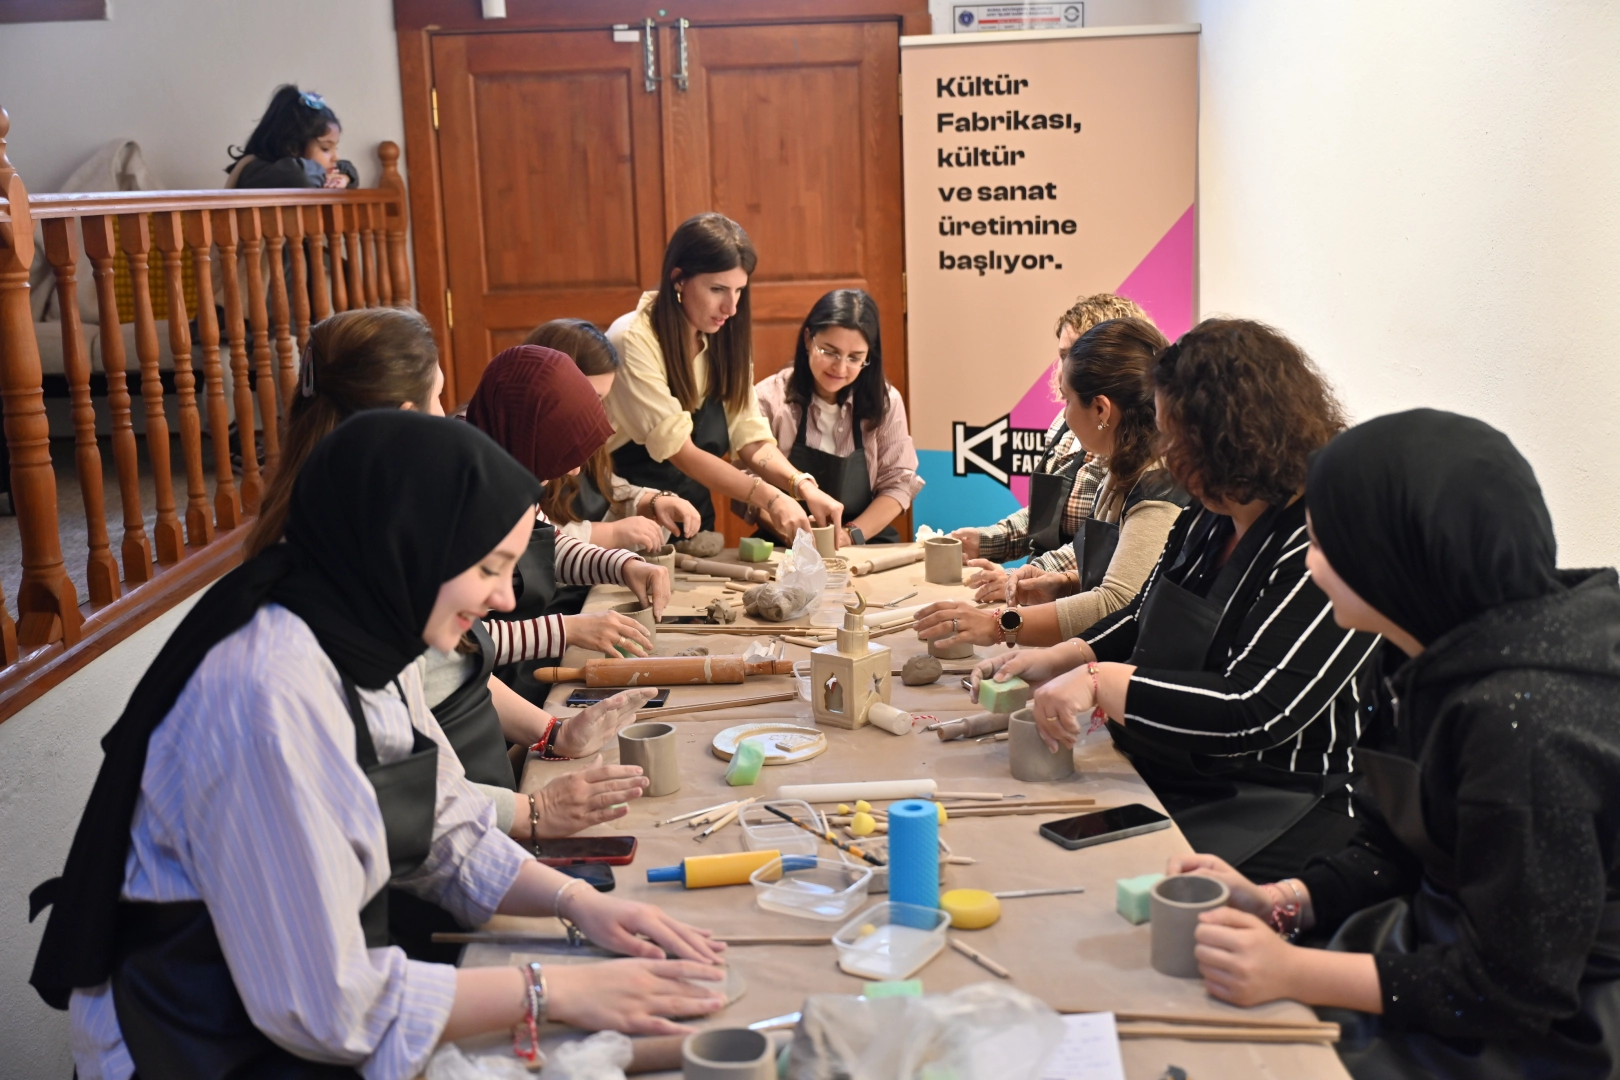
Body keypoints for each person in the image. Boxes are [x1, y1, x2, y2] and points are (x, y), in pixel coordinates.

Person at [31, 411, 727, 1080]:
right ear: (409, 547)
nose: (504, 600)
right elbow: (324, 1004)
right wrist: (554, 991)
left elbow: (445, 825)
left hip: (300, 1011)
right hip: (196, 1043)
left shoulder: (369, 638)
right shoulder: (267, 695)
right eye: (490, 568)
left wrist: (579, 903)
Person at [1167, 409, 1620, 1080]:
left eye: (1322, 544)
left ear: (1393, 556)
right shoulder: (1414, 653)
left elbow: (1513, 988)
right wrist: (1280, 902)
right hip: (1439, 955)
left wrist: (1292, 971)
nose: (1310, 567)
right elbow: (1392, 852)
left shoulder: (1528, 728)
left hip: (1542, 1028)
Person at [980, 319, 1382, 882]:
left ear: (1232, 436)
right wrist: (1062, 657)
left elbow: (1254, 708)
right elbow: (1142, 615)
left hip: (1282, 799)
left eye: (1175, 437)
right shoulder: (1209, 516)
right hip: (1183, 769)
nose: (1164, 453)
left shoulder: (1319, 542)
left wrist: (1098, 681)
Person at [245, 310, 656, 846]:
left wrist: (554, 734)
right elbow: (403, 793)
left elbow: (455, 668)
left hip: (469, 809)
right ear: (405, 417)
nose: (501, 597)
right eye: (439, 397)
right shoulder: (347, 569)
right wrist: (530, 812)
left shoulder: (373, 523)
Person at [915, 317, 1189, 648]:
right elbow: (1125, 576)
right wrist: (1064, 585)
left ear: (1101, 409)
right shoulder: (1120, 467)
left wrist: (999, 624)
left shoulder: (1157, 489)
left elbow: (1119, 604)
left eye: (1068, 400)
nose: (1065, 416)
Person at [605, 213, 842, 536]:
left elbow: (749, 435)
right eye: (717, 289)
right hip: (627, 512)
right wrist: (772, 498)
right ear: (678, 279)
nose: (731, 308)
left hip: (693, 512)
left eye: (739, 290)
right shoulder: (631, 339)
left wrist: (802, 485)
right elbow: (681, 451)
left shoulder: (724, 336)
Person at [951, 293, 1150, 600]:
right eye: (1062, 356)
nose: (1061, 372)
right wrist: (985, 541)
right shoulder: (1063, 425)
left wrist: (1022, 578)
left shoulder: (1136, 460)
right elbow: (1044, 518)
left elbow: (1104, 549)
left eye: (1074, 356)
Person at [752, 289, 922, 546]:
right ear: (808, 339)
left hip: (864, 540)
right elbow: (749, 484)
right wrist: (796, 534)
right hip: (785, 543)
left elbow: (898, 484)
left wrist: (848, 535)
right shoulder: (768, 398)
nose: (840, 368)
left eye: (855, 358)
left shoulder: (886, 401)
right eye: (829, 351)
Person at [524, 318, 702, 551]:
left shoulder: (580, 429)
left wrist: (653, 501)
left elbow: (607, 488)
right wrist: (611, 534)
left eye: (602, 400)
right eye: (591, 397)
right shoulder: (506, 446)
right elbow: (527, 538)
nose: (598, 413)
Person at [225, 84, 357, 189]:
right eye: (325, 148)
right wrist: (327, 176)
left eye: (335, 148)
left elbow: (348, 168)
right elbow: (301, 175)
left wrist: (344, 177)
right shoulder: (257, 170)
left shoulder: (312, 173)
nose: (335, 157)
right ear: (292, 147)